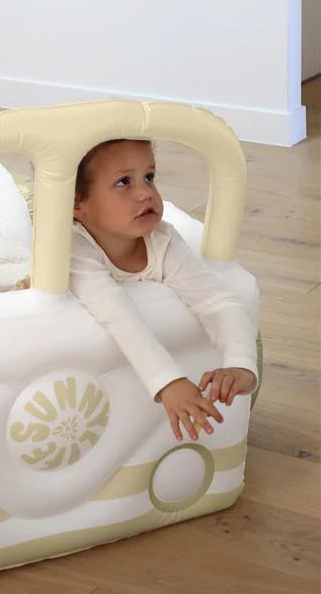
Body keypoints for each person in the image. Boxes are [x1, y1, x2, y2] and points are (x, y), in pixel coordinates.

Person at [18, 139, 258, 442]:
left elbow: (217, 301)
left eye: (149, 177)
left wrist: (240, 363)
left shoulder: (162, 240)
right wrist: (168, 381)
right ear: (76, 203)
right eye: (124, 182)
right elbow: (119, 316)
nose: (145, 192)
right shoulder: (72, 250)